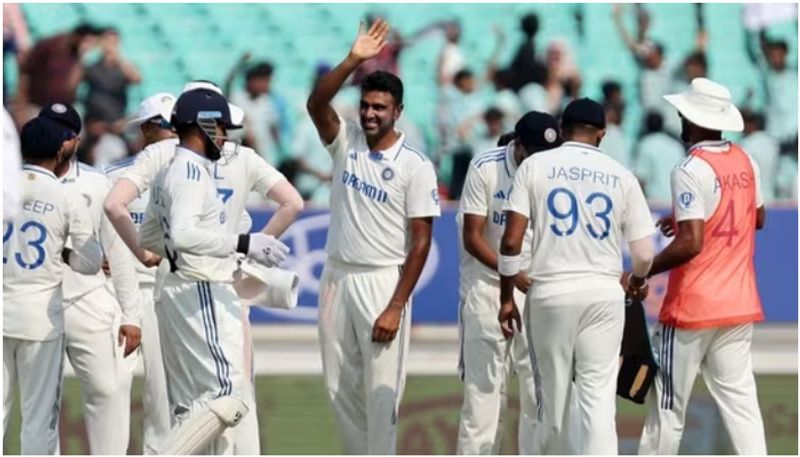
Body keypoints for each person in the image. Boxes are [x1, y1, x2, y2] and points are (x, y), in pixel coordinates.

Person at [104, 83, 303, 454]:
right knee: (230, 397)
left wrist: (147, 253)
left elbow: (149, 235)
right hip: (203, 287)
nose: (225, 137)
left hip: (175, 287)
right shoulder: (192, 173)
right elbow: (181, 234)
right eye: (222, 128)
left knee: (190, 404)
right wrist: (244, 244)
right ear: (203, 125)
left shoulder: (168, 167)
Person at [306, 19, 441, 454]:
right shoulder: (346, 142)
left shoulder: (415, 164)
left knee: (381, 394)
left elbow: (421, 242)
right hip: (336, 278)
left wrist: (396, 306)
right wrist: (354, 60)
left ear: (397, 111)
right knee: (338, 391)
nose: (369, 114)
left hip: (382, 281)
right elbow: (316, 103)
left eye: (379, 108)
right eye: (365, 105)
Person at [498, 98, 655, 454]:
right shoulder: (621, 174)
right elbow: (644, 253)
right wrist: (638, 281)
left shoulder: (535, 166)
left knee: (551, 401)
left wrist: (507, 297)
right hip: (604, 293)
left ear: (563, 128)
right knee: (598, 401)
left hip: (551, 292)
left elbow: (510, 242)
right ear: (602, 133)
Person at [637, 77, 767, 455]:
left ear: (692, 118)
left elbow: (692, 243)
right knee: (742, 405)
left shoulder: (689, 167)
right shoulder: (745, 159)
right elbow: (755, 218)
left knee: (667, 408)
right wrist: (683, 219)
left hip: (692, 306)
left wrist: (643, 270)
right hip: (738, 302)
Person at [456, 111, 562, 454]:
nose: (539, 161)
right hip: (487, 288)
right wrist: (510, 274)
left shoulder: (555, 169)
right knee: (482, 400)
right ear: (517, 144)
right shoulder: (485, 167)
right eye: (532, 153)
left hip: (536, 291)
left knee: (538, 397)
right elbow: (473, 237)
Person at [41, 102, 142, 454]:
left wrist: (131, 315)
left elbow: (119, 253)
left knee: (109, 389)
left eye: (62, 133)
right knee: (40, 403)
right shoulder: (18, 183)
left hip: (88, 300)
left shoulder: (98, 183)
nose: (55, 140)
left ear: (76, 140)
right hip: (38, 304)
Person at [3, 114, 103, 454]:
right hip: (40, 321)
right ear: (60, 151)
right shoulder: (65, 196)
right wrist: (64, 254)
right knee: (39, 420)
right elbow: (90, 261)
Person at [104, 92, 177, 454]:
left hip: (165, 290)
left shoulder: (195, 175)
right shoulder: (114, 176)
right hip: (123, 293)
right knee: (115, 393)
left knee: (159, 401)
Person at [14, 23, 102, 122]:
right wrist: (21, 106)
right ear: (77, 37)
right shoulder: (49, 46)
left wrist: (81, 59)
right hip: (37, 107)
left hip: (61, 112)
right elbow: (26, 72)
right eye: (88, 42)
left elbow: (71, 86)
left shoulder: (78, 58)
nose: (89, 46)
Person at [634, 111, 686, 203]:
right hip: (675, 201)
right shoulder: (676, 145)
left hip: (654, 202)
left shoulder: (646, 144)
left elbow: (641, 179)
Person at [739, 109, 779, 203]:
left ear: (752, 124)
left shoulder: (747, 144)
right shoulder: (773, 144)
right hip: (772, 197)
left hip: (753, 201)